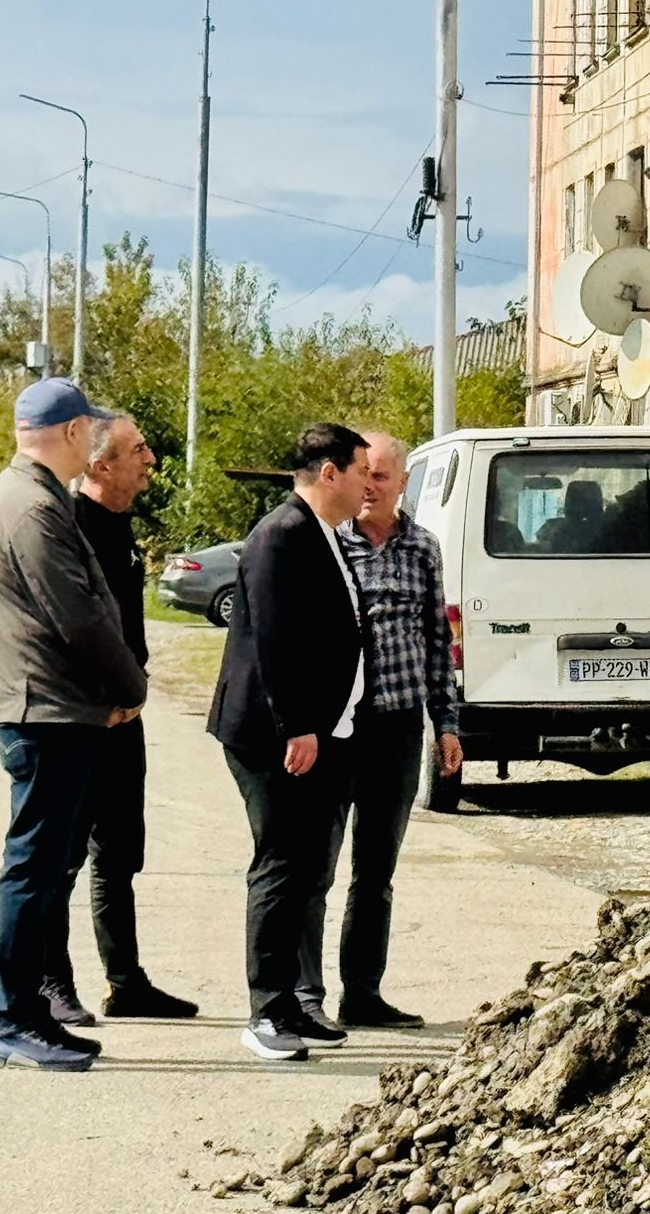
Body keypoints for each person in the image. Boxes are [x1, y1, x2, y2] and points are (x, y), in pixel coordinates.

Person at [0, 378, 148, 1071]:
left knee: (38, 868)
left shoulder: (29, 494)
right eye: (89, 427)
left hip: (45, 707)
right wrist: (130, 688)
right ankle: (11, 1020)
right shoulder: (34, 506)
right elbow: (79, 616)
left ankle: (28, 1016)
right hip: (42, 710)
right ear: (72, 432)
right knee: (33, 869)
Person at [208, 424, 371, 1062]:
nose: (368, 485)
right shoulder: (280, 535)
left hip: (318, 732)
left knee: (304, 867)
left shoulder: (321, 532)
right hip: (273, 736)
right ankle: (266, 1011)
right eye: (360, 472)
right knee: (279, 865)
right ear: (329, 473)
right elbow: (273, 641)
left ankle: (293, 1005)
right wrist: (298, 725)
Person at [297, 434, 463, 1031]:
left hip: (396, 728)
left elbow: (438, 643)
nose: (368, 486)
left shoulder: (423, 548)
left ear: (402, 484)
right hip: (337, 729)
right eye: (361, 472)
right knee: (315, 866)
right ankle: (304, 994)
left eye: (381, 476)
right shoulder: (327, 542)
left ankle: (362, 993)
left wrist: (446, 725)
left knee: (375, 874)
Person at [40, 413, 198, 1026]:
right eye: (138, 449)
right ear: (100, 465)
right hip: (82, 721)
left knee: (119, 853)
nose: (150, 458)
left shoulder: (121, 527)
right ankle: (51, 983)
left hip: (125, 718)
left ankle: (126, 982)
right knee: (62, 859)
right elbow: (64, 629)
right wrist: (98, 699)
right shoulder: (69, 527)